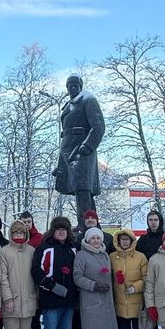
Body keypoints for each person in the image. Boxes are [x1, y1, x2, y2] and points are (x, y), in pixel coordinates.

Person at [54, 75, 106, 231]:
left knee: (83, 187)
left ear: (80, 87)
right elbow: (66, 135)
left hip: (81, 149)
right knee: (80, 189)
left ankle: (85, 223)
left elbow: (98, 126)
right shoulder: (68, 105)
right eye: (70, 85)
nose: (72, 88)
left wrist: (88, 145)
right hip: (67, 149)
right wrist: (60, 165)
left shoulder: (88, 99)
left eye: (75, 85)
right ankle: (91, 222)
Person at [31, 216, 79, 329]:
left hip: (69, 300)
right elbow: (36, 271)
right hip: (51, 299)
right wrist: (51, 286)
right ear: (53, 231)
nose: (61, 232)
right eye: (58, 229)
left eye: (64, 229)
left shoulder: (73, 249)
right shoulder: (44, 248)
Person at [73, 227, 118, 329]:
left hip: (106, 300)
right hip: (91, 299)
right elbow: (77, 277)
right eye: (92, 238)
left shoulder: (104, 254)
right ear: (87, 240)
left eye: (98, 238)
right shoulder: (81, 255)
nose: (96, 241)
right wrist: (94, 285)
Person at [0, 220, 39, 329]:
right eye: (16, 233)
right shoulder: (4, 252)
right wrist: (7, 298)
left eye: (21, 233)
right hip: (12, 302)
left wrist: (36, 296)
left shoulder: (31, 251)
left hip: (28, 300)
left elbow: (36, 275)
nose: (19, 235)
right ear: (11, 234)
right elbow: (2, 278)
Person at [110, 229, 148, 329]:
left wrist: (135, 287)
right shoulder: (112, 257)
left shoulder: (140, 257)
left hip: (136, 303)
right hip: (120, 303)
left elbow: (146, 278)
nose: (125, 242)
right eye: (122, 239)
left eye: (127, 239)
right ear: (118, 241)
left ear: (132, 241)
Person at [134, 209, 165, 329]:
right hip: (149, 284)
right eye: (150, 220)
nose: (153, 222)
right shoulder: (143, 240)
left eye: (155, 219)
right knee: (152, 318)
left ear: (160, 221)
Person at [19, 210, 45, 329]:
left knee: (35, 320)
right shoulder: (17, 238)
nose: (26, 224)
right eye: (24, 222)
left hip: (36, 283)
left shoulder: (38, 238)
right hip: (20, 281)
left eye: (28, 222)